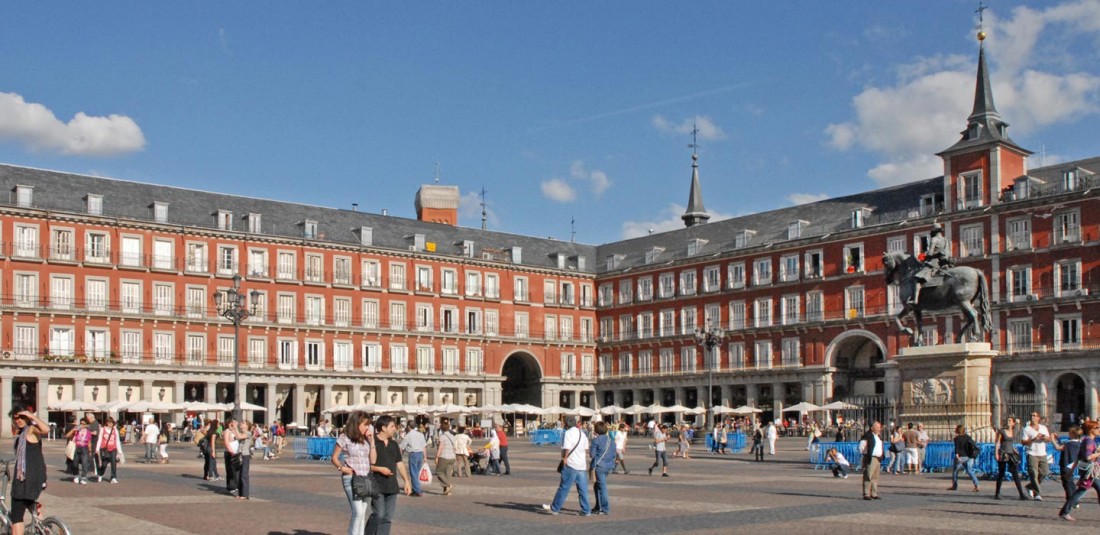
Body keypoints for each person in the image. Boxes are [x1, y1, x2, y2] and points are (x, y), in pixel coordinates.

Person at [367, 415, 412, 535]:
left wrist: (407, 481)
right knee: (379, 514)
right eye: (392, 426)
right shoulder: (372, 442)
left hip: (392, 485)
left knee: (387, 517)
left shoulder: (394, 444)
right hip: (377, 485)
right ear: (383, 428)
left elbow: (399, 463)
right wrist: (378, 469)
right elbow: (365, 465)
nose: (395, 429)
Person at [9, 404, 49, 535]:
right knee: (28, 502)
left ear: (27, 417)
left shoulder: (31, 429)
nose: (19, 420)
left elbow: (46, 429)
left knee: (17, 514)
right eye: (16, 418)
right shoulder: (21, 434)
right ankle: (44, 527)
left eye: (22, 417)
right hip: (34, 477)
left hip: (27, 478)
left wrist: (31, 415)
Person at [332, 412, 374, 535]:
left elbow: (373, 460)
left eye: (368, 425)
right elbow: (334, 457)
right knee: (358, 512)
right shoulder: (344, 437)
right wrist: (341, 468)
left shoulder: (366, 439)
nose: (367, 427)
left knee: (363, 512)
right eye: (365, 424)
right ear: (357, 424)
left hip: (366, 478)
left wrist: (372, 442)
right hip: (352, 478)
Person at [541, 416, 591, 516]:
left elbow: (566, 448)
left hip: (571, 463)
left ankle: (555, 508)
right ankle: (586, 510)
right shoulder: (582, 433)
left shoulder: (568, 433)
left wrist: (564, 458)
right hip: (581, 464)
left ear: (567, 424)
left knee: (564, 487)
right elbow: (586, 449)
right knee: (583, 489)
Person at [1058, 420, 1100, 521]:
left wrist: (1071, 471)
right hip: (1089, 473)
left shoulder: (1087, 440)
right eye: (1097, 428)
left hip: (1092, 472)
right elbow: (1087, 457)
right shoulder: (1089, 441)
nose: (1099, 430)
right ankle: (1065, 512)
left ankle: (1065, 511)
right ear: (1091, 429)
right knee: (1080, 492)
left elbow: (1079, 457)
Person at [910, 222, 951, 304]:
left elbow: (930, 253)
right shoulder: (945, 240)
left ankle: (915, 299)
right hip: (944, 263)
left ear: (934, 231)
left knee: (918, 279)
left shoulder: (934, 239)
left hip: (934, 263)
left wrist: (924, 256)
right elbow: (948, 252)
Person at [993, 416, 1027, 500]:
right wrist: (996, 453)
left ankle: (1021, 494)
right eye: (1007, 420)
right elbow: (997, 442)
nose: (1008, 422)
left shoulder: (1013, 432)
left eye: (1010, 421)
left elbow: (1011, 443)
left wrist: (1014, 450)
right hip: (1003, 453)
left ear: (1013, 423)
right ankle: (997, 493)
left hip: (1011, 453)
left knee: (1015, 473)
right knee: (1001, 473)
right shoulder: (1002, 431)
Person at [1020, 411, 1051, 501]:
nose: (1032, 417)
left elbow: (1049, 439)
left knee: (1044, 472)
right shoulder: (1027, 429)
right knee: (1033, 474)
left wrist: (1045, 438)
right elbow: (1023, 442)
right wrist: (1034, 439)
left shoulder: (1043, 428)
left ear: (1038, 418)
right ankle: (1037, 493)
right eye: (1031, 415)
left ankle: (1030, 486)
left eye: (1034, 415)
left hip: (1042, 453)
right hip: (1032, 453)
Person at [589, 421, 616, 515]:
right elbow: (614, 455)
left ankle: (605, 508)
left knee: (602, 487)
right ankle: (598, 506)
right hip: (608, 466)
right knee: (597, 486)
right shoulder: (611, 440)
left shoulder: (596, 440)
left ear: (596, 430)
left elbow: (592, 455)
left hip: (599, 466)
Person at [1052, 426, 1082, 503]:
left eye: (1070, 433)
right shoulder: (1079, 443)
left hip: (1065, 464)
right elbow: (1063, 445)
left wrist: (1052, 439)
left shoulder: (1069, 444)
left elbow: (1058, 448)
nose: (1068, 434)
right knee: (1071, 483)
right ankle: (1074, 500)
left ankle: (1071, 501)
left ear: (1073, 434)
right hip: (1073, 464)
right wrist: (1058, 438)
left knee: (1067, 484)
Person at [948, 424, 980, 492]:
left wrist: (957, 455)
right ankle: (976, 485)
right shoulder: (968, 437)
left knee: (955, 471)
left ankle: (954, 485)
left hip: (960, 456)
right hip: (968, 456)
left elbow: (957, 448)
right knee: (969, 471)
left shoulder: (956, 438)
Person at [858, 421, 884, 500]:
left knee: (875, 477)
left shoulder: (878, 436)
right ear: (872, 428)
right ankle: (866, 493)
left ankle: (874, 493)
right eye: (877, 427)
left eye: (879, 427)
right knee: (868, 475)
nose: (879, 429)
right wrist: (866, 454)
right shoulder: (868, 436)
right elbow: (862, 446)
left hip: (878, 458)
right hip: (871, 457)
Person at [399, 424, 427, 496]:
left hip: (413, 454)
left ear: (408, 426)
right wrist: (425, 457)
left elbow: (402, 447)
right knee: (417, 472)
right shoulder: (421, 434)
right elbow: (424, 446)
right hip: (420, 454)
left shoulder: (409, 435)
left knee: (413, 473)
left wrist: (399, 457)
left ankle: (417, 490)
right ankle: (417, 488)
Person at [95, 416, 122, 484]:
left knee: (113, 463)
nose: (111, 424)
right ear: (107, 422)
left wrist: (119, 451)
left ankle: (113, 477)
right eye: (110, 422)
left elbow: (117, 440)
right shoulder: (102, 429)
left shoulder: (115, 430)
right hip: (104, 449)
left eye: (112, 423)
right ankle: (100, 474)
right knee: (104, 464)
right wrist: (97, 449)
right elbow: (100, 439)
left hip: (113, 449)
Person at [67, 419, 94, 484]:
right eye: (81, 423)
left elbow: (89, 442)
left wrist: (90, 451)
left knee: (85, 464)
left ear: (87, 425)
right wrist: (73, 430)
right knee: (75, 463)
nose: (82, 425)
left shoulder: (88, 432)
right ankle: (76, 475)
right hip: (76, 447)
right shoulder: (76, 431)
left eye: (83, 424)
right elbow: (67, 436)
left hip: (84, 448)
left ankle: (83, 478)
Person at [434, 420, 456, 495]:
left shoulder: (442, 437)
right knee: (448, 474)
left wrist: (437, 456)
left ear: (441, 428)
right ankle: (447, 491)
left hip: (444, 456)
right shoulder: (453, 436)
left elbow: (440, 447)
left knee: (439, 471)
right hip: (452, 457)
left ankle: (448, 485)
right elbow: (454, 448)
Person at [223, 418, 241, 495]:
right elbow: (226, 442)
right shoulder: (227, 431)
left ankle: (237, 485)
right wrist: (231, 451)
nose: (236, 424)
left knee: (237, 470)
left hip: (237, 452)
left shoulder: (235, 430)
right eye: (234, 422)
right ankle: (231, 486)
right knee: (230, 470)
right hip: (230, 452)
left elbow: (239, 437)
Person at [237, 421, 253, 500]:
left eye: (243, 423)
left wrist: (235, 427)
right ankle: (240, 493)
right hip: (240, 456)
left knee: (244, 474)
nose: (241, 424)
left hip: (245, 455)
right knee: (239, 474)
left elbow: (239, 437)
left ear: (247, 426)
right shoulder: (241, 433)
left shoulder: (248, 433)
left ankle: (245, 494)